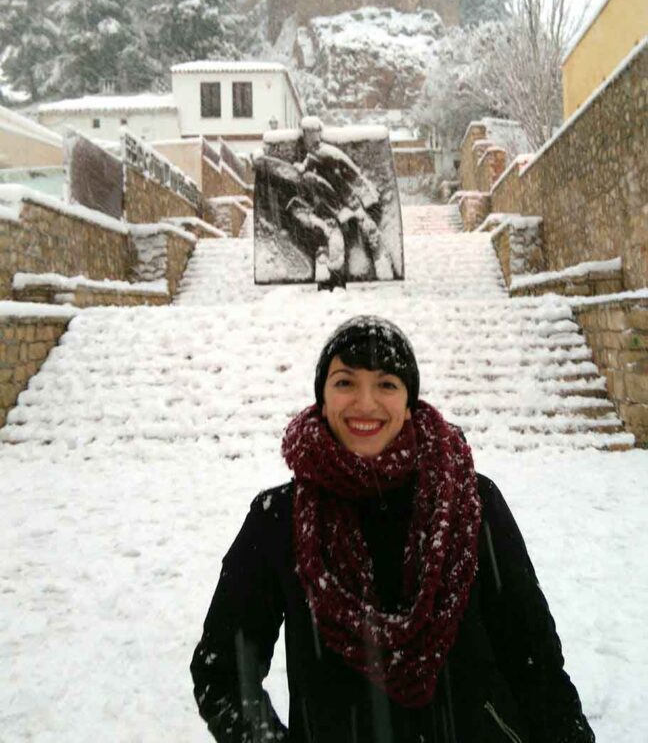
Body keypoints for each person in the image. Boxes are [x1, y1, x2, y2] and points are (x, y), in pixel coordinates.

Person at [191, 316, 595, 743]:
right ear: (322, 399)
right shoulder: (278, 518)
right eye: (345, 382)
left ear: (408, 403)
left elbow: (535, 661)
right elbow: (223, 673)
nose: (365, 403)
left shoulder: (470, 501)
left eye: (386, 384)